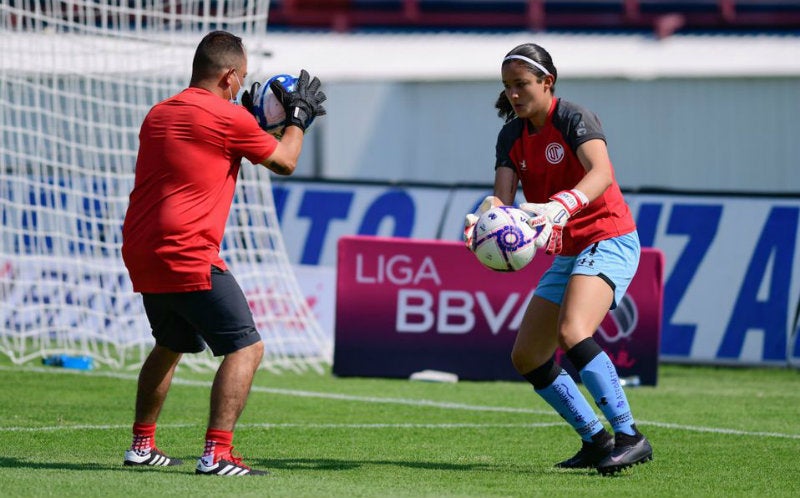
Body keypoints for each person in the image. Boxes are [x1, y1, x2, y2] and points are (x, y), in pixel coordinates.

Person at [120, 30, 326, 476]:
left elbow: (206, 141)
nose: (243, 86)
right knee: (246, 348)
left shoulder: (158, 112)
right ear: (231, 76)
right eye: (243, 78)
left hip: (141, 248)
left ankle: (142, 444)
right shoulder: (228, 120)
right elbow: (285, 161)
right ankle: (217, 453)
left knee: (171, 343)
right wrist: (298, 118)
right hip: (186, 249)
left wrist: (251, 121)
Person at [464, 42, 652, 476]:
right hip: (568, 249)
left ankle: (629, 436)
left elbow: (601, 174)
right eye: (507, 86)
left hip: (610, 236)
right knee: (527, 356)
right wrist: (484, 219)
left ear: (547, 82)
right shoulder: (511, 134)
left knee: (572, 331)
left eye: (521, 84)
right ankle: (596, 439)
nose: (513, 94)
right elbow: (504, 199)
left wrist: (562, 205)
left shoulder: (573, 117)